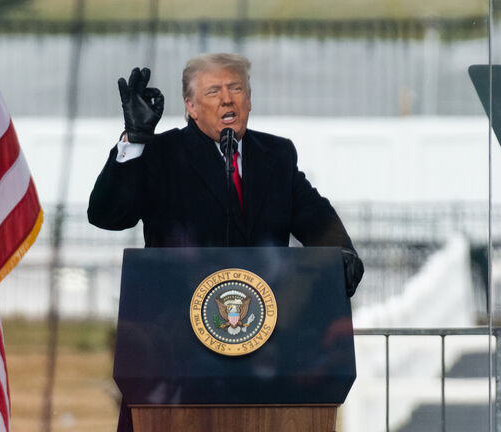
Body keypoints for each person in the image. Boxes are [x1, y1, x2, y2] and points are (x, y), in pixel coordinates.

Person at [87, 53, 363, 432]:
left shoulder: (277, 156)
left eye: (236, 89)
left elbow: (314, 214)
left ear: (249, 100)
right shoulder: (162, 154)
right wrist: (135, 140)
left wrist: (342, 251)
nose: (227, 99)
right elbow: (107, 215)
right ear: (190, 106)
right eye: (213, 91)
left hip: (266, 350)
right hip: (176, 353)